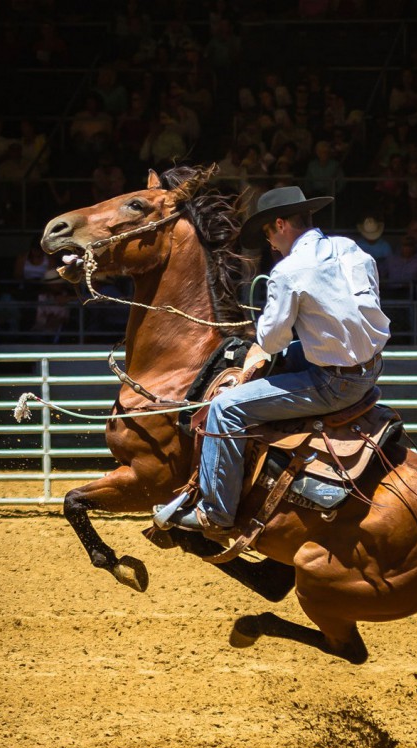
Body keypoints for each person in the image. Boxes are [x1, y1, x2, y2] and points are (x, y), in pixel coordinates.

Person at [156, 185, 391, 538]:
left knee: (225, 409)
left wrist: (268, 321)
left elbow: (271, 339)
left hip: (332, 382)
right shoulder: (349, 247)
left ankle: (214, 512)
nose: (269, 243)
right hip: (369, 367)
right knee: (279, 361)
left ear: (280, 224)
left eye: (268, 233)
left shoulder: (288, 271)